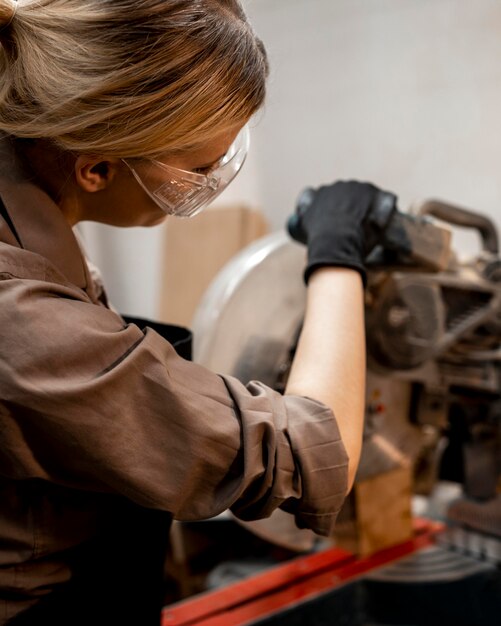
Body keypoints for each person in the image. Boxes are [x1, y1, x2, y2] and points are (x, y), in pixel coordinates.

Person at [0, 0, 394, 624]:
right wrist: (337, 254)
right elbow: (316, 450)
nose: (212, 184)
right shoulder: (21, 323)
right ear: (97, 167)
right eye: (199, 170)